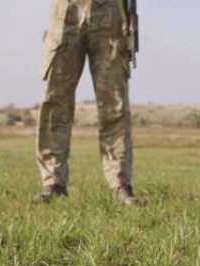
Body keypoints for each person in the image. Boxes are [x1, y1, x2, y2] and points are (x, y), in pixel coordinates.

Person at [36, 0, 139, 205]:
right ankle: (53, 183)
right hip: (66, 8)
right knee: (55, 101)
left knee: (114, 104)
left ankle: (120, 184)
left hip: (111, 10)